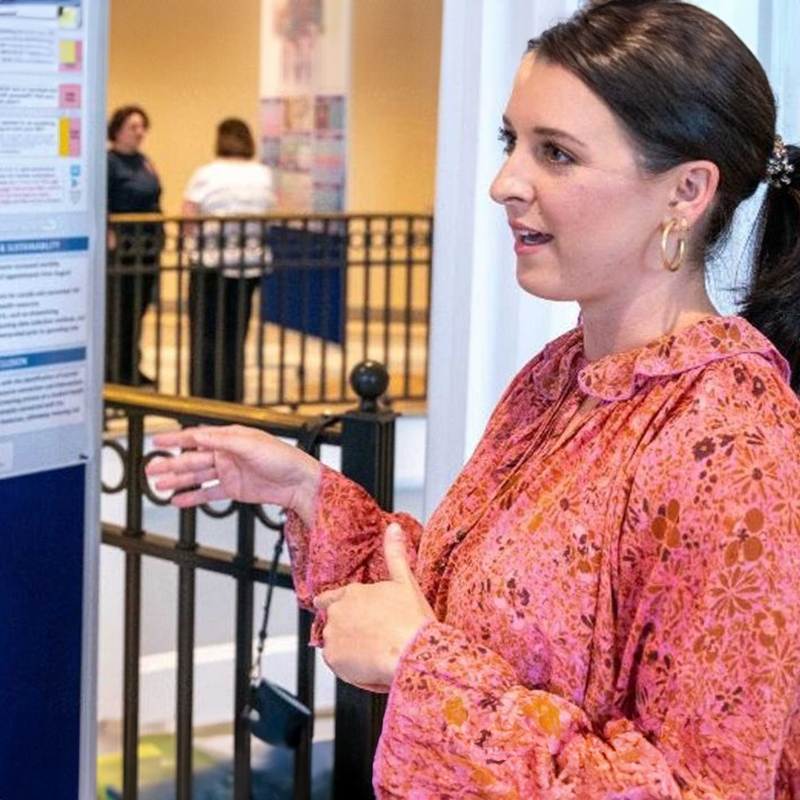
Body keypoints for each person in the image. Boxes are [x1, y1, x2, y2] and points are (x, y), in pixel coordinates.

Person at [147, 1, 800, 796]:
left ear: (686, 191)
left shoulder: (733, 446)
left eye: (555, 153)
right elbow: (464, 603)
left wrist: (421, 667)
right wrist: (301, 489)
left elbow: (705, 787)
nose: (503, 184)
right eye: (511, 142)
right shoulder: (561, 374)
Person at [182, 118, 276, 402]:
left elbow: (189, 216)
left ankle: (203, 395)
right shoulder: (263, 174)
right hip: (249, 263)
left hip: (211, 262)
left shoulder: (207, 174)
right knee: (236, 333)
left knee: (206, 335)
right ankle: (232, 396)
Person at [106, 104, 163, 387]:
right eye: (133, 127)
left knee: (139, 309)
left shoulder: (144, 161)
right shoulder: (110, 162)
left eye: (143, 126)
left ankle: (131, 366)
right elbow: (102, 201)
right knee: (121, 310)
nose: (140, 132)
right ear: (117, 130)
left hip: (148, 245)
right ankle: (116, 371)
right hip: (123, 247)